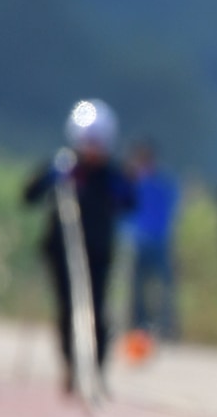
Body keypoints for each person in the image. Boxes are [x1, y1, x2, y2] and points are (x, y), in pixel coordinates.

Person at [22, 99, 137, 395]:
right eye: (88, 142)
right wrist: (52, 177)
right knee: (67, 310)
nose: (92, 149)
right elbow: (28, 195)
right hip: (61, 249)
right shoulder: (62, 164)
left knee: (96, 310)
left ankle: (95, 369)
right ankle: (71, 366)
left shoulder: (111, 173)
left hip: (97, 251)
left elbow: (130, 201)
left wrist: (117, 188)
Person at [123, 137, 181, 355]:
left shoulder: (163, 182)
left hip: (160, 242)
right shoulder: (131, 183)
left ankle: (166, 329)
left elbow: (171, 211)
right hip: (137, 243)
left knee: (164, 289)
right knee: (136, 290)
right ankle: (136, 328)